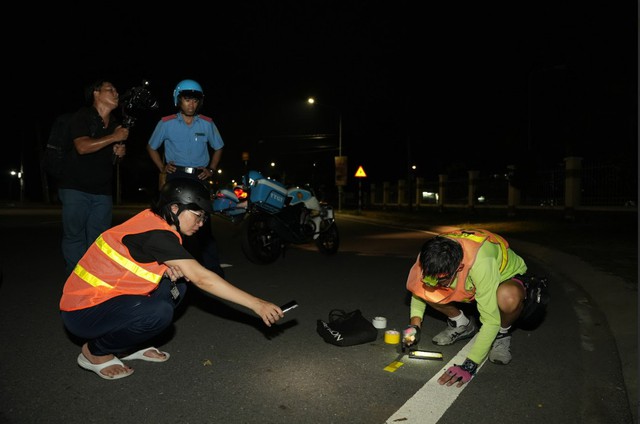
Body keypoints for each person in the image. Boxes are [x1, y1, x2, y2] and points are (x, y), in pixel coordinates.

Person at [60, 178, 284, 380]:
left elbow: (134, 263)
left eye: (204, 217)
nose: (201, 223)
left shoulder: (155, 221)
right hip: (83, 312)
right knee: (159, 312)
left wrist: (164, 270)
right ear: (175, 208)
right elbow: (203, 278)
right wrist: (257, 304)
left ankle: (128, 344)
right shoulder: (158, 235)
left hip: (110, 300)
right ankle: (95, 351)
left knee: (177, 286)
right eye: (198, 215)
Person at [402, 229, 530, 388]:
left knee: (507, 298)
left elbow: (490, 321)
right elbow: (418, 290)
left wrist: (470, 365)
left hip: (503, 277)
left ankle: (502, 334)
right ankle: (461, 324)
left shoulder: (481, 263)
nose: (434, 283)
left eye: (441, 279)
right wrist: (414, 326)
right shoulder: (430, 255)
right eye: (430, 277)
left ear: (459, 268)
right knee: (430, 288)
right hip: (468, 277)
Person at [146, 79, 225, 277]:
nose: (191, 104)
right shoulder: (166, 123)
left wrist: (212, 169)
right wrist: (162, 168)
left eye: (195, 100)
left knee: (203, 224)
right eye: (187, 99)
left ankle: (212, 271)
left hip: (199, 176)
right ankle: (170, 269)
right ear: (178, 100)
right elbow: (151, 146)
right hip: (176, 176)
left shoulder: (207, 123)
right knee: (172, 223)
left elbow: (219, 147)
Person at [58, 79, 129, 275]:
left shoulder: (115, 124)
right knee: (75, 236)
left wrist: (119, 154)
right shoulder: (83, 116)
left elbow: (113, 161)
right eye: (110, 89)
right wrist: (114, 138)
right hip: (75, 188)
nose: (116, 93)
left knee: (100, 240)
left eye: (116, 89)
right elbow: (82, 147)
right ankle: (76, 278)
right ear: (96, 94)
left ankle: (94, 279)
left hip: (102, 191)